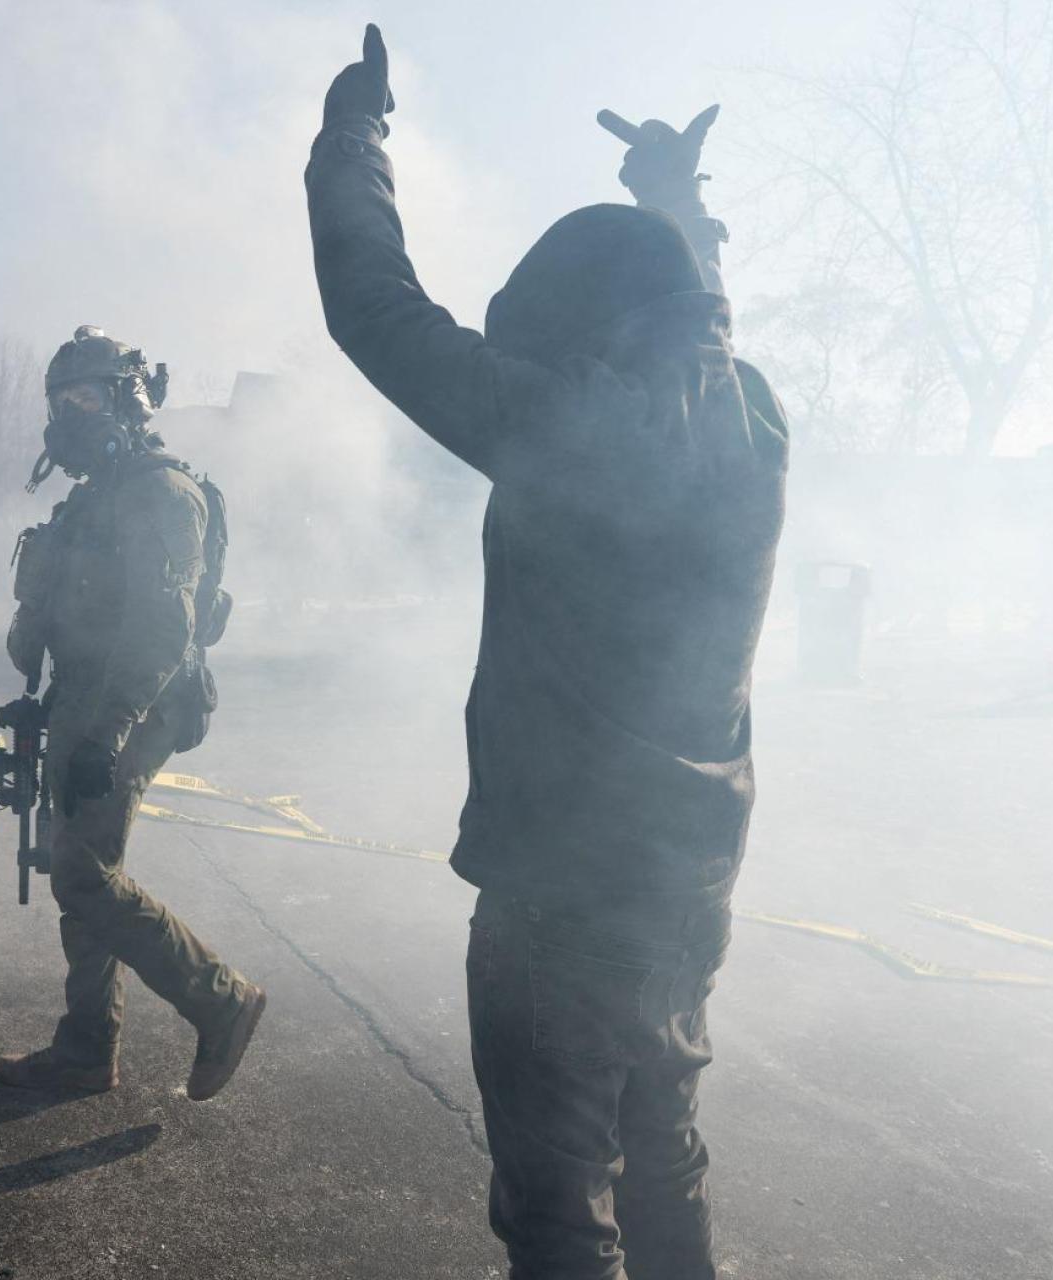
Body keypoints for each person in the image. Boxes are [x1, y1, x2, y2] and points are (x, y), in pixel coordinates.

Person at [307, 28, 788, 1280]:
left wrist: (352, 138)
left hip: (566, 889)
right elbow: (698, 311)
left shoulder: (577, 427)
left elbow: (375, 310)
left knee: (560, 1215)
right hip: (689, 878)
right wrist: (673, 201)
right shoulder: (748, 415)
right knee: (663, 1153)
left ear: (580, 330)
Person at [0, 325, 263, 1103]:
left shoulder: (161, 492)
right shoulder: (90, 499)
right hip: (82, 696)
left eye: (83, 397)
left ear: (128, 401)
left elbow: (163, 629)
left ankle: (222, 999)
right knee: (76, 868)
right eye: (60, 402)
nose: (68, 416)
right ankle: (86, 1050)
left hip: (143, 700)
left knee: (83, 874)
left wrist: (108, 731)